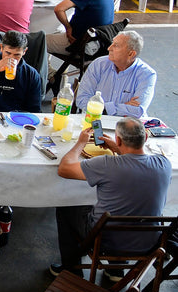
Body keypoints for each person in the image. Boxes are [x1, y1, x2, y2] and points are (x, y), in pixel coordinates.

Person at [51, 118, 171, 276]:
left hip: (106, 241)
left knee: (67, 207)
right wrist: (118, 148)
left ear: (118, 139)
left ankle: (71, 270)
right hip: (148, 241)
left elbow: (64, 169)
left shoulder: (107, 164)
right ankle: (116, 270)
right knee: (127, 206)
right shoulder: (164, 164)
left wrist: (81, 143)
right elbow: (137, 164)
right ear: (146, 137)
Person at [74, 30, 156, 119]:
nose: (109, 48)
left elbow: (138, 110)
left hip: (126, 124)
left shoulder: (147, 74)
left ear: (131, 54)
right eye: (112, 43)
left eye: (116, 46)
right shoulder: (98, 64)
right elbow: (81, 100)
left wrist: (100, 108)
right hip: (95, 120)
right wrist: (123, 106)